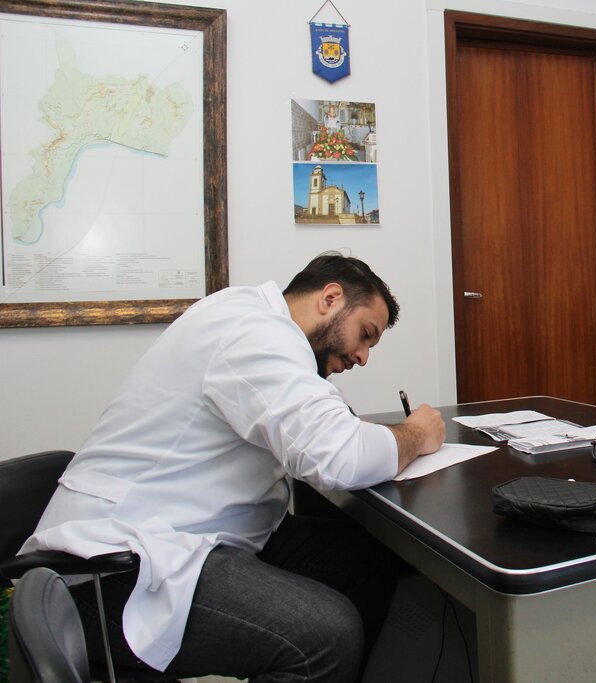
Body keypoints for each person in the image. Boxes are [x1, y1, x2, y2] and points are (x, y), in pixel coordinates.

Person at [20, 252, 446, 682]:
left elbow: (326, 427)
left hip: (187, 532)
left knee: (366, 560)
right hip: (115, 569)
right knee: (327, 635)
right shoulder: (255, 334)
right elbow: (339, 456)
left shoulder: (254, 322)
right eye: (364, 335)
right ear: (330, 298)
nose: (362, 356)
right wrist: (415, 434)